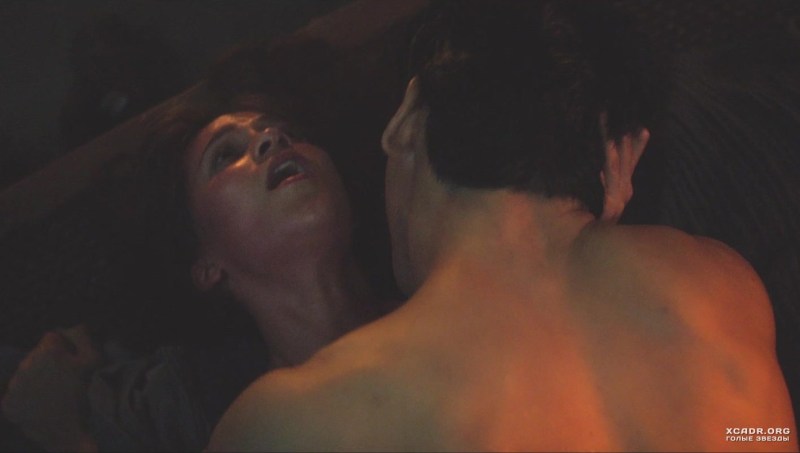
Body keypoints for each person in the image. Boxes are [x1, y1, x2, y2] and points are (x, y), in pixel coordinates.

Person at [208, 1, 797, 451]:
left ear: (406, 119)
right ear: (619, 158)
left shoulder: (292, 424)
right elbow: (761, 436)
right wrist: (596, 237)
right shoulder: (722, 286)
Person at [2, 40, 399, 450]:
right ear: (207, 265)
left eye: (288, 132)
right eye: (225, 156)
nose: (273, 138)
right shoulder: (231, 423)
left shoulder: (434, 300)